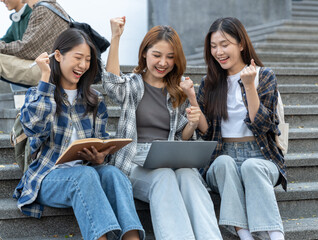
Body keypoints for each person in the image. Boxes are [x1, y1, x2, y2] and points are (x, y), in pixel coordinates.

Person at [13, 28, 145, 240]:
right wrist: (45, 77)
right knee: (84, 176)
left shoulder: (95, 101)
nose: (83, 65)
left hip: (86, 174)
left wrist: (101, 156)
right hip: (48, 177)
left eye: (88, 59)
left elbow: (99, 141)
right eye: (78, 58)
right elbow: (34, 127)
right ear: (58, 55)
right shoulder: (39, 95)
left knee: (114, 175)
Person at [102, 17, 222, 240]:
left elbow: (181, 135)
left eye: (170, 57)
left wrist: (193, 124)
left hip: (169, 159)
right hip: (134, 163)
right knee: (164, 177)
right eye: (157, 55)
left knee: (189, 175)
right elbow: (111, 84)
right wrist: (116, 37)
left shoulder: (175, 91)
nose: (163, 62)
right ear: (145, 53)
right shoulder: (133, 84)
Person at [181, 17, 287, 240]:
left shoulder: (264, 76)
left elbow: (262, 125)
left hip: (261, 156)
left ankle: (277, 236)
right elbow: (207, 133)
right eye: (213, 46)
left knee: (252, 167)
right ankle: (244, 234)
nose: (218, 51)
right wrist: (192, 97)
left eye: (225, 44)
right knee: (224, 163)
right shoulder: (210, 83)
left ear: (241, 44)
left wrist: (249, 86)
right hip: (223, 156)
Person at [0, 0, 69, 86]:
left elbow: (26, 49)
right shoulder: (48, 7)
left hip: (50, 70)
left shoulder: (42, 10)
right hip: (52, 67)